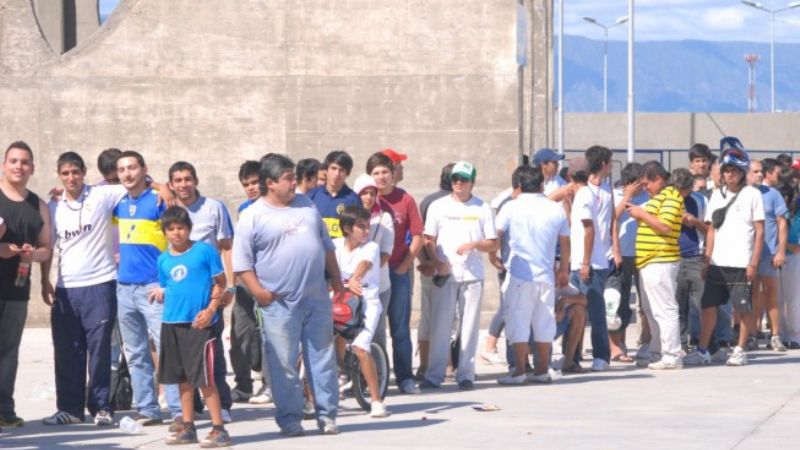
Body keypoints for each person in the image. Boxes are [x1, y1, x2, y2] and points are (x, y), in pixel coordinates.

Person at [233, 153, 344, 436]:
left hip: (317, 299)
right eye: (288, 178)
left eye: (294, 177)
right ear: (269, 183)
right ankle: (290, 419)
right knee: (283, 364)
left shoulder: (307, 205)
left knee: (322, 358)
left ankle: (327, 415)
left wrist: (338, 281)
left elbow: (327, 246)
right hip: (279, 305)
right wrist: (259, 293)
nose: (294, 182)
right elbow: (242, 264)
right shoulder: (252, 216)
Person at [40, 152, 128, 426]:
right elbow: (50, 247)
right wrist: (45, 280)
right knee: (67, 351)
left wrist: (162, 189)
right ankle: (70, 409)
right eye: (65, 173)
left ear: (84, 172)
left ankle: (101, 406)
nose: (71, 178)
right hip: (67, 289)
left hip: (99, 285)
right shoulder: (53, 207)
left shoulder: (101, 196)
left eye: (75, 172)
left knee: (100, 351)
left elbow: (136, 182)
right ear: (59, 175)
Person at [151, 206, 231, 447]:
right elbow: (169, 285)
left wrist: (210, 310)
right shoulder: (163, 259)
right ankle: (188, 426)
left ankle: (219, 429)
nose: (176, 233)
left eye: (181, 228)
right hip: (171, 324)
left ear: (188, 228)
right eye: (171, 229)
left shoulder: (204, 251)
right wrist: (159, 293)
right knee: (182, 379)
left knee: (205, 379)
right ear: (165, 232)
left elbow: (221, 283)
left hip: (199, 326)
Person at [113, 150, 181, 425]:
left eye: (132, 168)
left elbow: (178, 243)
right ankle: (148, 409)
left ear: (144, 170)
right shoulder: (116, 202)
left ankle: (178, 412)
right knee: (136, 352)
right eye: (122, 169)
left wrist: (167, 284)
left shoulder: (159, 200)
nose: (127, 174)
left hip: (154, 288)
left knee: (166, 351)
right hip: (124, 289)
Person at [685, 139, 764, 367]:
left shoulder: (752, 195)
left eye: (735, 170)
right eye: (727, 170)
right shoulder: (716, 196)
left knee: (743, 307)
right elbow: (711, 230)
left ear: (743, 172)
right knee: (708, 307)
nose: (731, 174)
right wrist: (707, 259)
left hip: (742, 263)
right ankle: (703, 350)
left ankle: (739, 349)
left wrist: (753, 263)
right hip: (717, 263)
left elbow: (759, 232)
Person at [168, 161, 236, 421]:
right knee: (184, 354)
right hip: (180, 293)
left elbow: (227, 246)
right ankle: (192, 407)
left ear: (195, 180)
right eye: (178, 180)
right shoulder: (168, 209)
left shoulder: (214, 208)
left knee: (212, 350)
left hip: (211, 292)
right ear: (171, 184)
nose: (183, 184)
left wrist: (230, 284)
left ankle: (222, 406)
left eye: (188, 179)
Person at [420, 161, 497, 390]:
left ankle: (466, 374)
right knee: (440, 326)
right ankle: (434, 375)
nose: (459, 183)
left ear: (472, 181)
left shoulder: (482, 207)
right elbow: (428, 239)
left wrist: (475, 244)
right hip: (446, 274)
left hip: (472, 275)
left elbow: (493, 242)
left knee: (470, 325)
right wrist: (436, 261)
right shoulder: (437, 206)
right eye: (455, 179)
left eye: (463, 179)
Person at [495, 166, 569, 385]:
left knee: (518, 322)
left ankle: (518, 372)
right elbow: (565, 241)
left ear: (518, 185)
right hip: (546, 275)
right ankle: (542, 369)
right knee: (544, 323)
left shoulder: (510, 208)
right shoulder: (556, 209)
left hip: (519, 274)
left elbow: (495, 234)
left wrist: (493, 256)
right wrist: (563, 268)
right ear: (541, 185)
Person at [0, 141, 51, 428]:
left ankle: (5, 410)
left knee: (8, 352)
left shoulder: (38, 206)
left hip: (18, 290)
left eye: (25, 162)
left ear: (32, 167)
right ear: (3, 165)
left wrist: (36, 258)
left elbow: (47, 248)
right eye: (14, 161)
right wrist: (2, 249)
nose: (19, 166)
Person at [367, 152, 424, 395]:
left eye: (384, 172)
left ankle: (405, 378)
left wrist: (404, 265)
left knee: (399, 327)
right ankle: (375, 378)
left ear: (393, 174)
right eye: (375, 173)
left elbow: (418, 236)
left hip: (398, 272)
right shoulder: (367, 199)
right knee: (372, 327)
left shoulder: (406, 200)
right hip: (371, 275)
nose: (381, 177)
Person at [333, 205, 389, 418]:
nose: (366, 231)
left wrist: (354, 279)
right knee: (328, 339)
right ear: (347, 228)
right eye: (361, 227)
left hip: (367, 303)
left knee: (360, 348)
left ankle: (376, 400)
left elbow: (364, 265)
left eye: (368, 227)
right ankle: (339, 374)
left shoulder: (371, 247)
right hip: (340, 299)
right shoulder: (334, 245)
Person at [627, 161, 685, 370]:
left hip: (660, 260)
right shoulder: (658, 198)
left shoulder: (670, 197)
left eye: (646, 184)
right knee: (652, 311)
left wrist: (641, 214)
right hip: (649, 261)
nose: (645, 188)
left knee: (665, 309)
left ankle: (671, 355)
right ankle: (659, 351)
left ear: (658, 179)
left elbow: (665, 226)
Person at [569, 146, 615, 371]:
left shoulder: (596, 192)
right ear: (604, 164)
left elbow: (590, 230)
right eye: (611, 161)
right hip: (584, 261)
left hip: (590, 263)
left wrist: (585, 262)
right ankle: (573, 358)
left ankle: (601, 356)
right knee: (577, 312)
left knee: (593, 312)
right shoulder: (592, 192)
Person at [229, 161, 271, 404]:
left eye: (255, 182)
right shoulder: (244, 209)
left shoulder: (274, 207)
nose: (251, 188)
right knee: (240, 332)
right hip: (246, 280)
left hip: (268, 280)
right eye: (246, 185)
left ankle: (268, 384)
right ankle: (243, 384)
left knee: (268, 333)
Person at [416, 163, 454, 380]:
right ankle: (443, 364)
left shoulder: (428, 200)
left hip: (434, 268)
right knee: (445, 319)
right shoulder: (435, 202)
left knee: (429, 318)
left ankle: (426, 365)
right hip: (439, 270)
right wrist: (431, 263)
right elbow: (422, 235)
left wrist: (427, 262)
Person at [352, 174, 394, 353]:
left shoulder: (384, 218)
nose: (368, 197)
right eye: (364, 193)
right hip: (351, 283)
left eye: (372, 193)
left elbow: (386, 252)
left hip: (379, 283)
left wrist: (369, 269)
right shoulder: (349, 217)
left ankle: (378, 373)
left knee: (376, 331)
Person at [611, 162, 647, 362]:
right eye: (638, 183)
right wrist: (627, 197)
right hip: (622, 256)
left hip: (643, 254)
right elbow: (611, 220)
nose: (642, 186)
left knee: (645, 303)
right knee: (620, 303)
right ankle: (620, 344)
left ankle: (645, 342)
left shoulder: (648, 196)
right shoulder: (615, 196)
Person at [750, 158, 788, 351]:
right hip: (747, 255)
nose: (759, 175)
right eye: (755, 171)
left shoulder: (773, 194)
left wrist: (780, 250)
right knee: (752, 296)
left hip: (769, 254)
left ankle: (775, 336)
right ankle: (752, 335)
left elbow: (782, 223)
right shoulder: (741, 195)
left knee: (771, 295)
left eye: (761, 172)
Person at [307, 150, 361, 239]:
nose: (337, 174)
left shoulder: (354, 200)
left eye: (341, 170)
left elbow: (357, 232)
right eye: (333, 168)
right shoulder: (311, 196)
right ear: (325, 170)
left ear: (347, 174)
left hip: (341, 251)